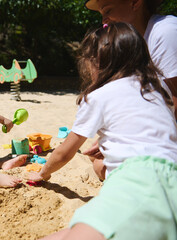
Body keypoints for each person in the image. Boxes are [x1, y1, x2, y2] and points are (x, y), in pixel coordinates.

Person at [28, 23, 177, 239]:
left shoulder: (99, 96)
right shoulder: (158, 88)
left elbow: (64, 153)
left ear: (96, 62)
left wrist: (43, 172)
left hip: (136, 182)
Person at [83, 0, 177, 179]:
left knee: (103, 167)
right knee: (99, 162)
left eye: (108, 10)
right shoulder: (133, 45)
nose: (104, 19)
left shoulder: (165, 31)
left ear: (135, 2)